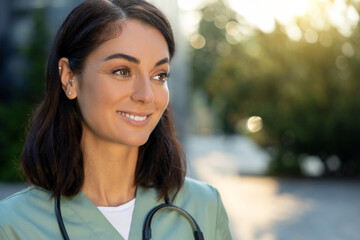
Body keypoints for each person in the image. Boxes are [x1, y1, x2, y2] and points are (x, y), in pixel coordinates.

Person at [0, 0, 232, 239]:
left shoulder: (204, 207)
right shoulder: (12, 226)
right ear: (70, 78)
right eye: (122, 71)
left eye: (159, 75)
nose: (146, 95)